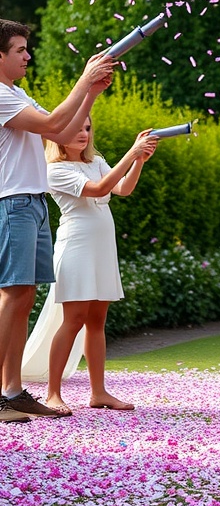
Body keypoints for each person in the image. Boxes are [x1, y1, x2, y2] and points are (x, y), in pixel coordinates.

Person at [0, 18, 115, 424]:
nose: (28, 55)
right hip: (13, 203)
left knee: (24, 298)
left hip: (31, 204)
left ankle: (12, 392)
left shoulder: (17, 92)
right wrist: (83, 80)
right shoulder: (0, 95)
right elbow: (53, 127)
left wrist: (92, 95)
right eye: (19, 50)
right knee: (13, 296)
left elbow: (63, 130)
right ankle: (1, 396)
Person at [22, 116, 158, 412]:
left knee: (97, 321)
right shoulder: (54, 170)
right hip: (76, 246)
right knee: (73, 320)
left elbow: (122, 189)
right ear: (58, 135)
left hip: (102, 247)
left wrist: (140, 161)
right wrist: (131, 153)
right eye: (76, 129)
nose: (83, 134)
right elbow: (98, 189)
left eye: (87, 128)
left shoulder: (96, 160)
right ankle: (53, 393)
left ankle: (99, 393)